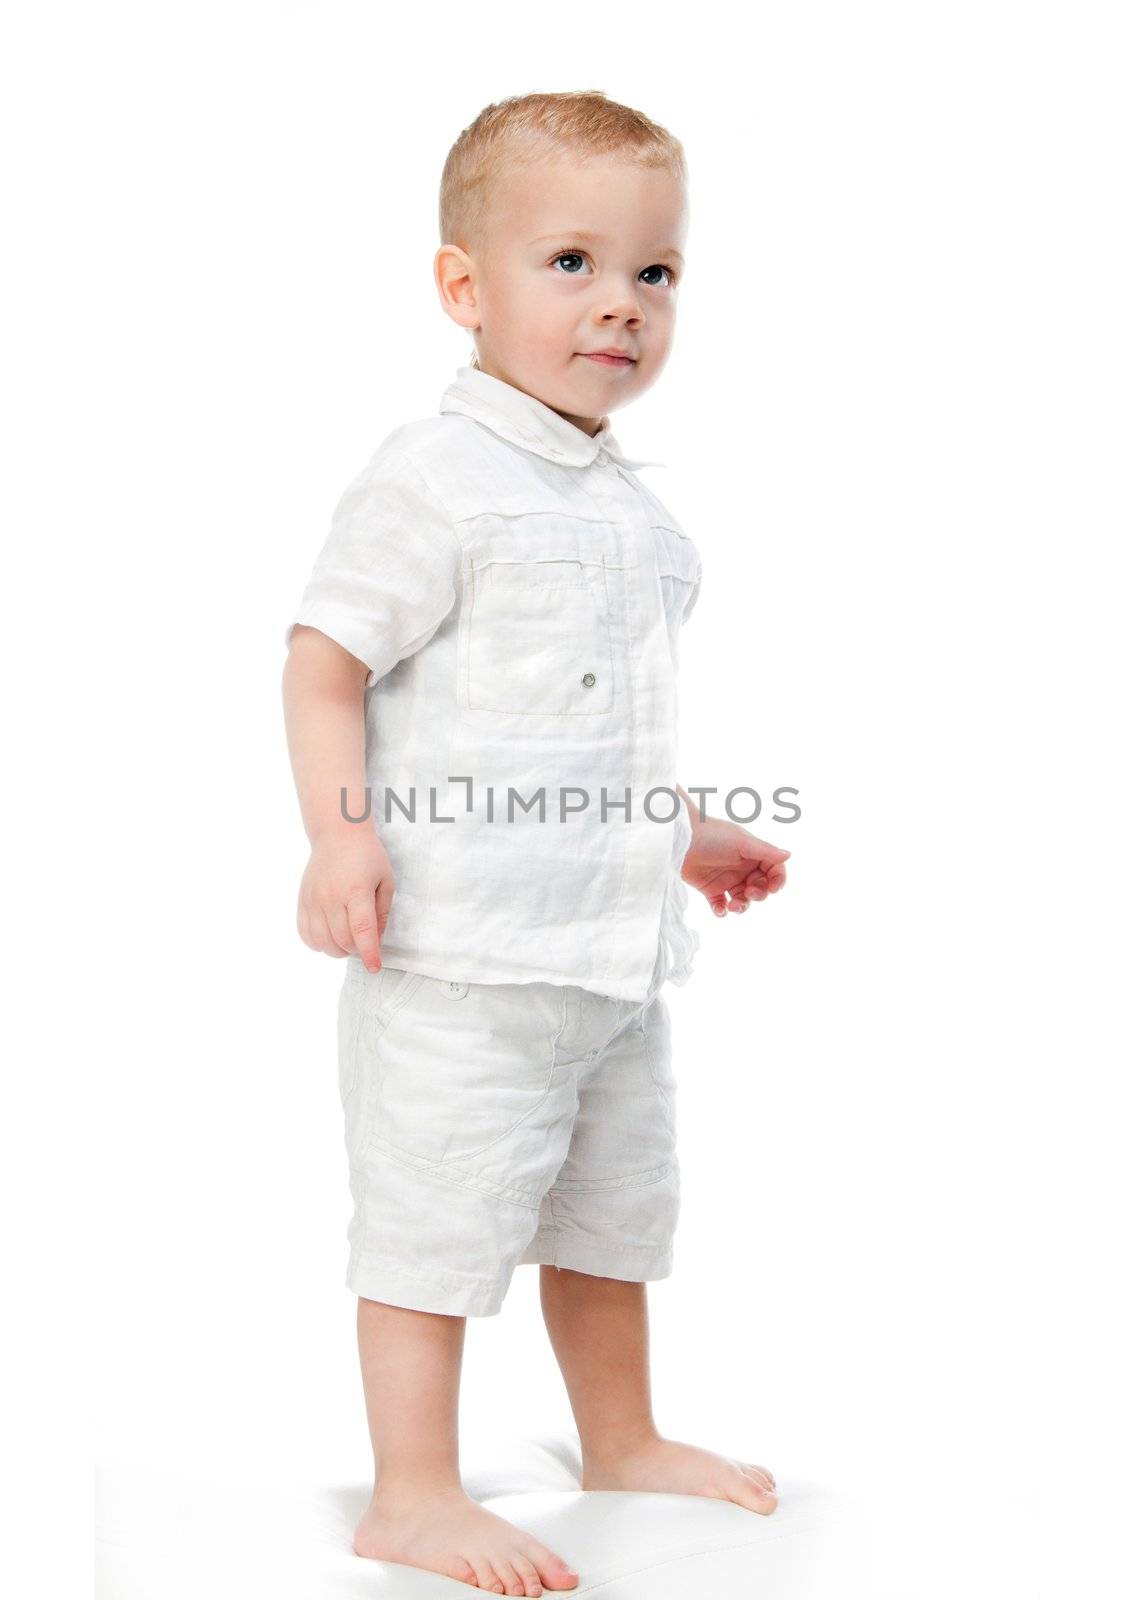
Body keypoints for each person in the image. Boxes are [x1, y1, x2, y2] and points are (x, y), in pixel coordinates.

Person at [282, 90, 791, 1597]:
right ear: (465, 288)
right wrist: (339, 838)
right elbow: (321, 663)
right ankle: (414, 1492)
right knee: (433, 1216)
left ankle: (619, 1435)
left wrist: (687, 833)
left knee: (610, 1210)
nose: (620, 307)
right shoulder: (432, 480)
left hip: (608, 962)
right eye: (570, 263)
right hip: (458, 959)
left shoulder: (633, 513)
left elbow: (587, 734)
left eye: (655, 272)